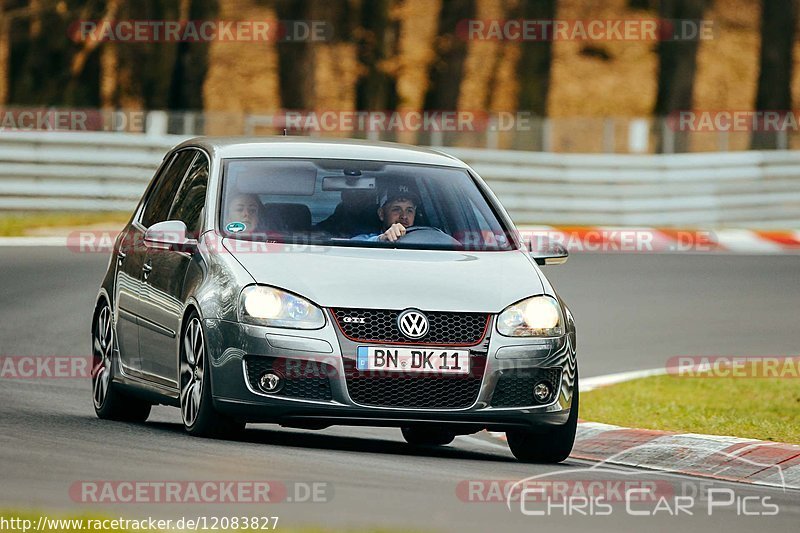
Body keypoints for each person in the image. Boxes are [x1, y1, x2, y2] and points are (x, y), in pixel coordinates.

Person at [352, 186, 420, 242]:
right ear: (381, 214)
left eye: (409, 210)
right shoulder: (371, 238)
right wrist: (382, 239)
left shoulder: (424, 238)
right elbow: (353, 244)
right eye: (396, 209)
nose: (404, 216)